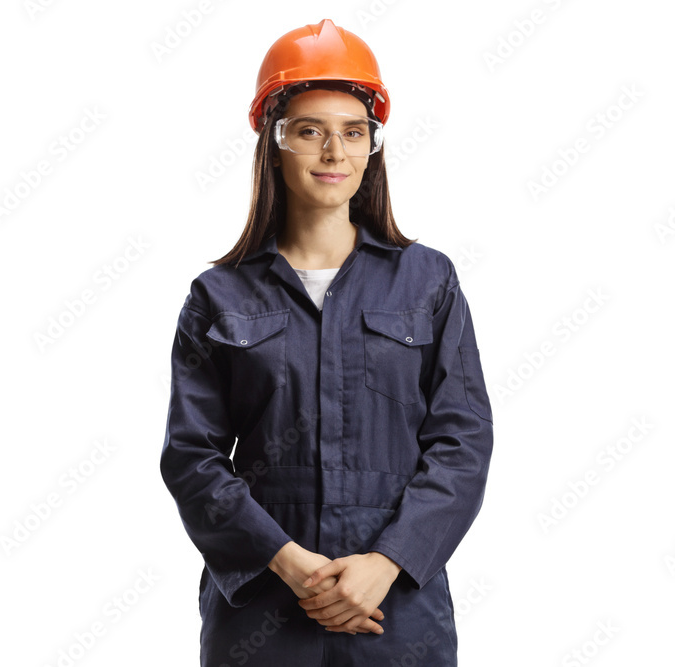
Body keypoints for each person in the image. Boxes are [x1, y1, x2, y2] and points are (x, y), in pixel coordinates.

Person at [160, 18, 494, 666]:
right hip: (261, 612)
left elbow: (462, 441)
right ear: (274, 143)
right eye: (310, 131)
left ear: (372, 146)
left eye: (353, 131)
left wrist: (388, 559)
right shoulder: (218, 297)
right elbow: (191, 457)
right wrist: (285, 560)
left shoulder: (429, 282)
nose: (334, 152)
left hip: (394, 614)